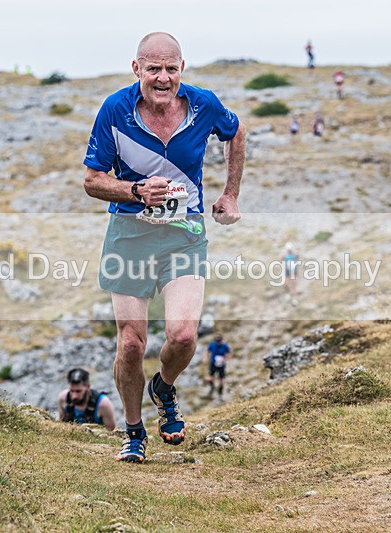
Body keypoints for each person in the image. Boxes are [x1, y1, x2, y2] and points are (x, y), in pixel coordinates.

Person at [83, 32, 246, 463]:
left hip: (184, 234)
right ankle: (134, 431)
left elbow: (236, 131)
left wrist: (230, 194)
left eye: (170, 68)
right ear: (136, 69)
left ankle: (164, 388)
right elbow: (92, 181)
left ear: (182, 69)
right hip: (130, 234)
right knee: (132, 343)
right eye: (153, 68)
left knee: (184, 334)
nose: (162, 77)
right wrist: (136, 190)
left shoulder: (203, 103)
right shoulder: (114, 110)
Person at [206, 334, 231, 398]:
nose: (218, 342)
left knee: (221, 381)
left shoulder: (224, 345)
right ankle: (212, 387)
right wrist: (206, 358)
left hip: (221, 365)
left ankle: (220, 394)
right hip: (213, 364)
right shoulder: (212, 344)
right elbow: (207, 350)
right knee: (209, 378)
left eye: (219, 341)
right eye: (217, 341)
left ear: (221, 340)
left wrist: (226, 359)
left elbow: (229, 353)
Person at [282, 241, 299, 307]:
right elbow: (280, 259)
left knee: (293, 286)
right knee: (285, 284)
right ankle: (288, 293)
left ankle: (295, 300)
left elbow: (298, 259)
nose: (289, 250)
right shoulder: (285, 254)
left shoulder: (295, 253)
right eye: (288, 249)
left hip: (293, 271)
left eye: (290, 249)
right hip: (287, 271)